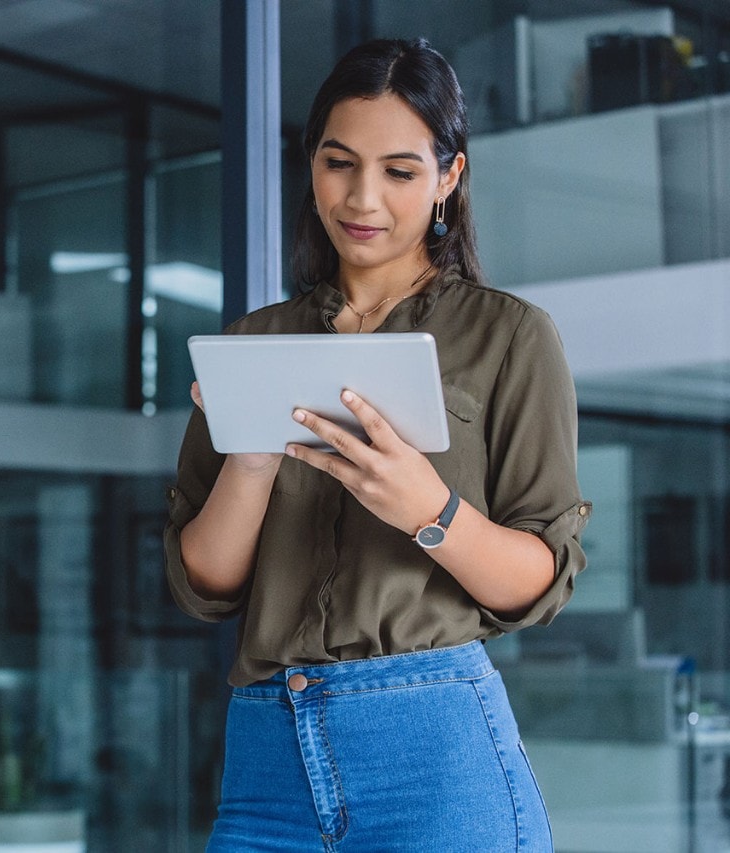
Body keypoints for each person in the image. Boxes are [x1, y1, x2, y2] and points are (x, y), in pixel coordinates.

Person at [164, 38, 591, 852]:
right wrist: (251, 459)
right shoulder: (252, 343)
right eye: (338, 162)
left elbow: (543, 576)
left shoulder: (510, 337)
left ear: (448, 179)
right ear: (311, 164)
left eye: (399, 170)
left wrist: (428, 508)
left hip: (433, 748)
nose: (363, 197)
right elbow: (206, 584)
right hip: (265, 757)